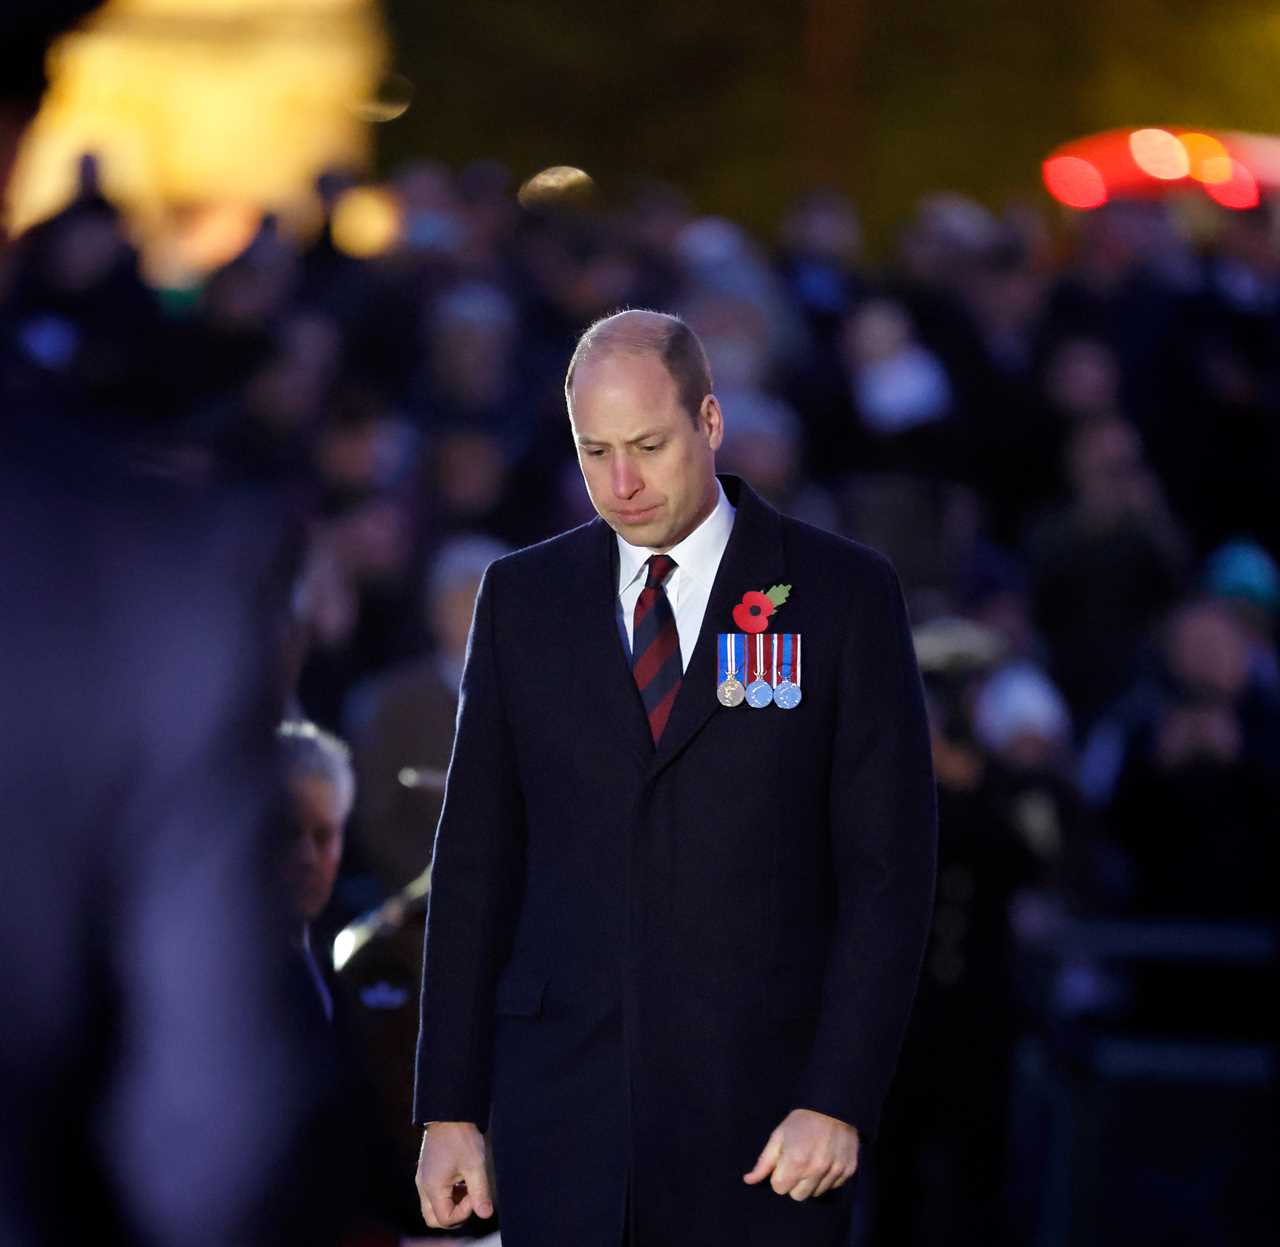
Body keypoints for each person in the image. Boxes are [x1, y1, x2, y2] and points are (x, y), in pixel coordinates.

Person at [412, 309, 937, 1245]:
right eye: (594, 451)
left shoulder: (843, 593)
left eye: (649, 445)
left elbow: (888, 873)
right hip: (560, 1114)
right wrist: (447, 1107)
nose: (621, 483)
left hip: (769, 1126)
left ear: (710, 421)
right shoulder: (522, 598)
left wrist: (839, 1096)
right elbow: (475, 864)